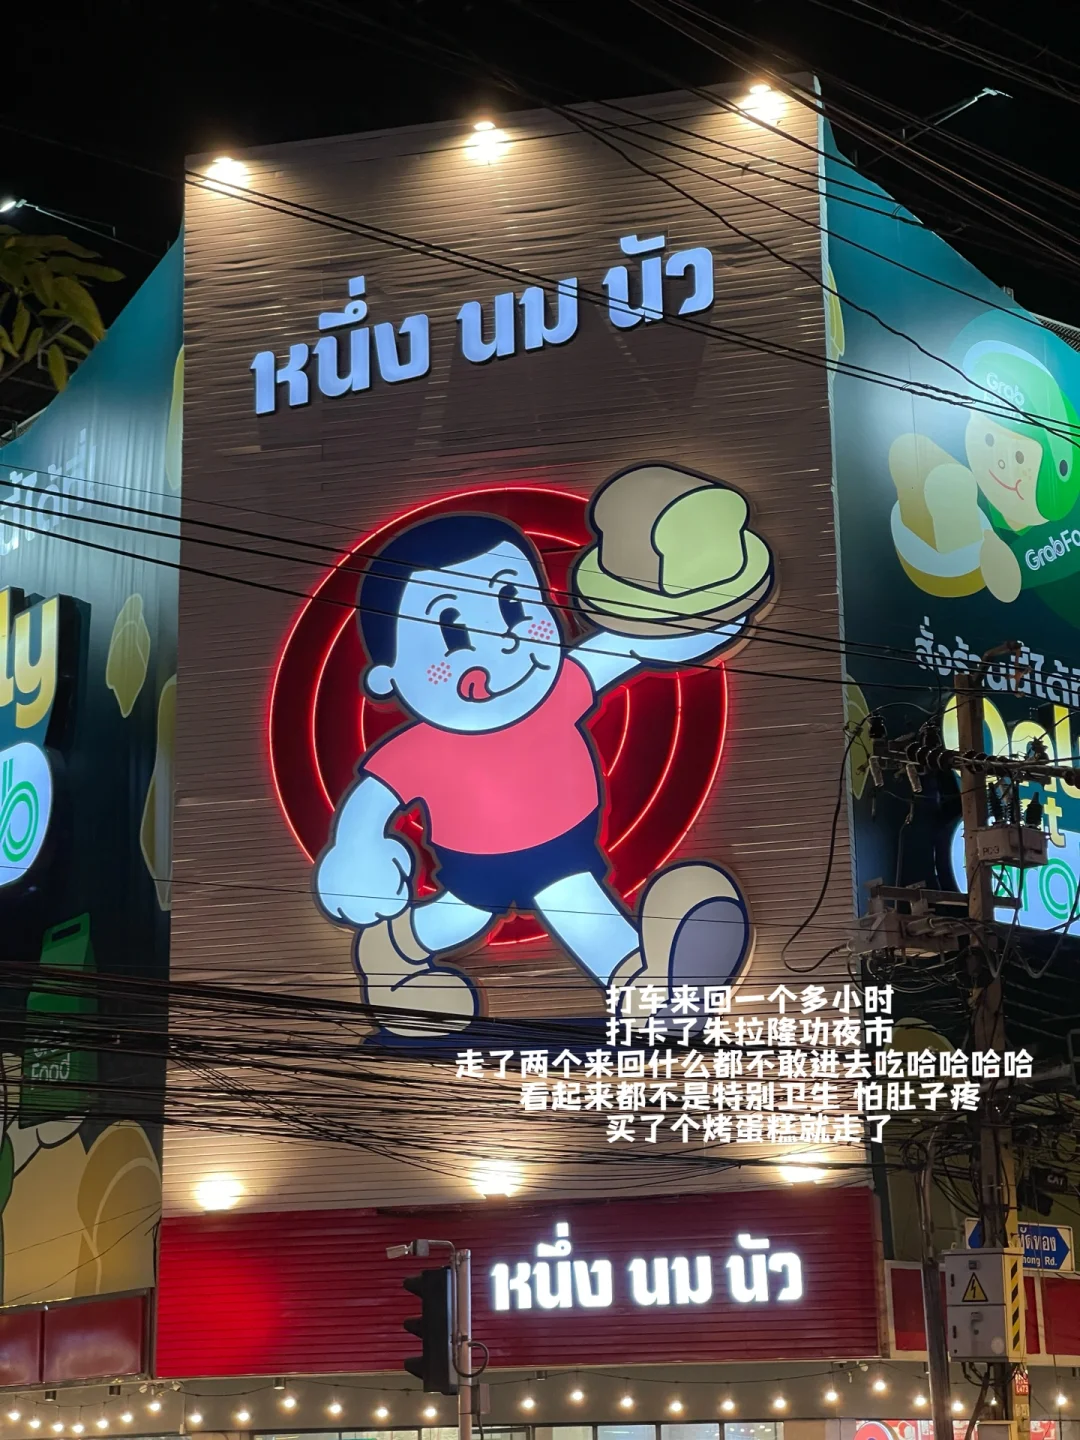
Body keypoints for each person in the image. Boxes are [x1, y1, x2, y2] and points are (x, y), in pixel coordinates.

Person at [314, 499, 768, 1037]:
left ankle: (654, 991)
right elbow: (370, 803)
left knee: (579, 908)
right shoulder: (418, 748)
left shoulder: (560, 687)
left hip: (561, 857)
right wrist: (357, 850)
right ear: (388, 678)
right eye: (452, 632)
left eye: (513, 605)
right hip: (473, 871)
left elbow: (627, 646)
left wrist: (707, 618)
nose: (504, 638)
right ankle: (388, 959)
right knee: (459, 917)